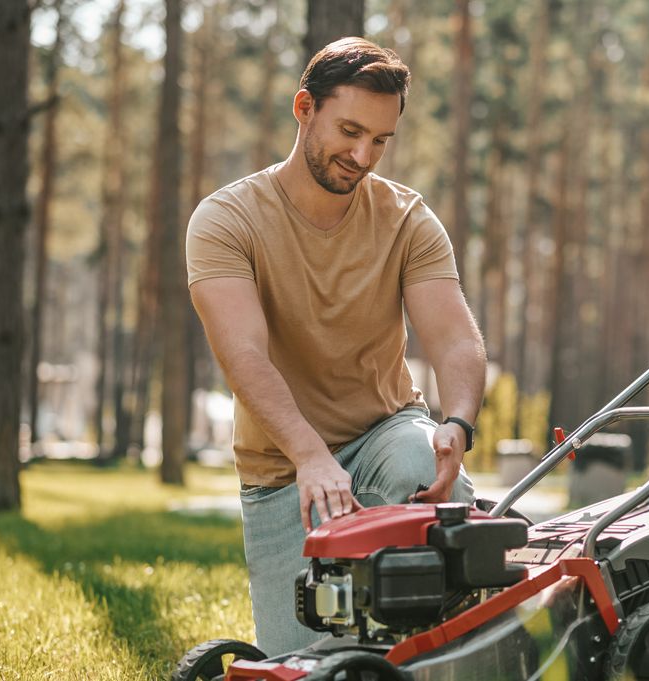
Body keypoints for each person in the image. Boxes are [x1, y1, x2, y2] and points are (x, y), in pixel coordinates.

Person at [186, 37, 485, 656]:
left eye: (380, 140)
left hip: (384, 432)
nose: (362, 155)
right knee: (306, 662)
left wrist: (456, 422)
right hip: (280, 469)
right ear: (304, 108)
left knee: (422, 467)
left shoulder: (408, 219)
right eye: (349, 130)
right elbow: (245, 357)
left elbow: (455, 336)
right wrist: (310, 456)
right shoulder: (224, 221)